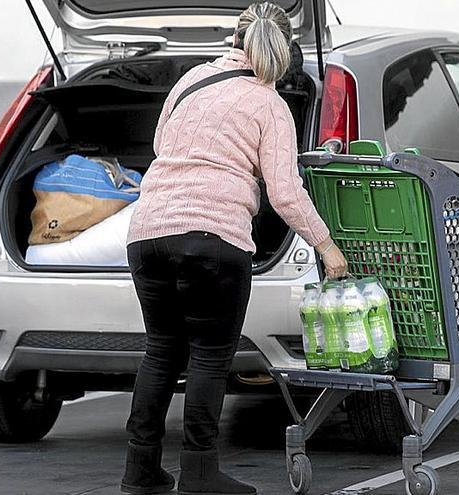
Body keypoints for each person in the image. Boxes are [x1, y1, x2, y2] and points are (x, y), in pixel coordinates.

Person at [120, 3, 348, 494]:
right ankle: (200, 474)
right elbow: (284, 192)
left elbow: (163, 144)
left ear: (234, 39)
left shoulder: (190, 81)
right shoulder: (270, 105)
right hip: (213, 240)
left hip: (148, 234)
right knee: (207, 356)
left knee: (160, 352)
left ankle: (139, 473)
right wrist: (327, 247)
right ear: (283, 50)